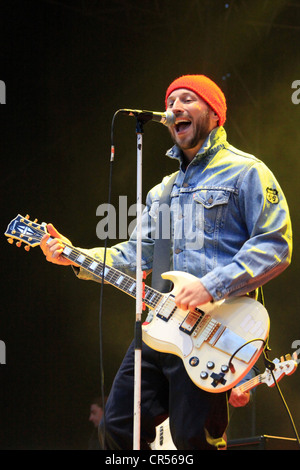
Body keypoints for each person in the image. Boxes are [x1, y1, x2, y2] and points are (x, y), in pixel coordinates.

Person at [40, 74, 292, 450]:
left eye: (187, 100)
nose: (174, 109)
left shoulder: (247, 172)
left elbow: (274, 246)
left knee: (191, 440)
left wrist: (210, 285)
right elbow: (133, 254)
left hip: (213, 330)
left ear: (214, 112)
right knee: (116, 428)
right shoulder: (163, 189)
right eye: (171, 102)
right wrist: (74, 254)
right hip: (159, 328)